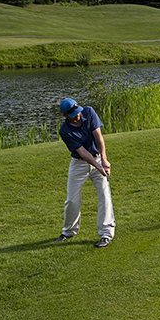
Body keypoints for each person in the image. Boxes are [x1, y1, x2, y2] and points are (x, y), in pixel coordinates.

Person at [54, 97, 115, 247]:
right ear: (64, 116)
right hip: (79, 164)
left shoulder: (89, 111)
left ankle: (106, 234)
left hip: (98, 157)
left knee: (104, 195)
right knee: (72, 199)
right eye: (73, 114)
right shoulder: (65, 130)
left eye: (77, 111)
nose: (77, 115)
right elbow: (82, 152)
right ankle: (68, 231)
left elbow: (98, 137)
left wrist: (104, 160)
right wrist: (98, 166)